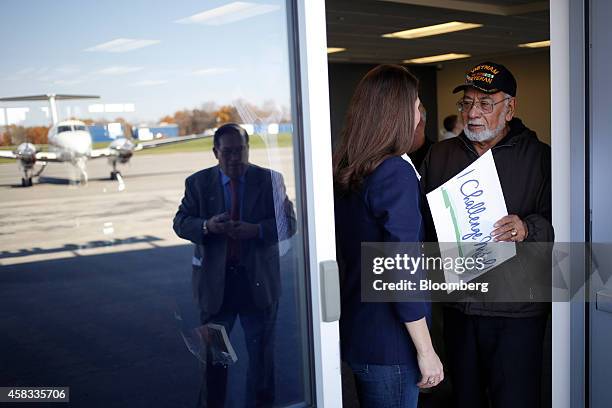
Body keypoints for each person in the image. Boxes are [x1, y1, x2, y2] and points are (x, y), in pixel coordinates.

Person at [420, 61, 553, 408]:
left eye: (484, 103)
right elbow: (424, 223)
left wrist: (528, 228)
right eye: (466, 103)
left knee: (515, 399)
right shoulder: (440, 155)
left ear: (510, 108)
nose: (472, 113)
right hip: (460, 308)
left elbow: (558, 223)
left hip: (516, 311)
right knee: (465, 398)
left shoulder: (539, 158)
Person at [333, 64, 444, 408]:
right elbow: (402, 268)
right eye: (415, 106)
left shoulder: (348, 167)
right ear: (397, 113)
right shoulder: (394, 170)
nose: (419, 114)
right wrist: (426, 350)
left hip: (359, 330)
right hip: (390, 341)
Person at [173, 123, 296, 408]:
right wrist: (207, 226)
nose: (234, 158)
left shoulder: (270, 181)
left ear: (248, 150)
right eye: (227, 152)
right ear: (215, 152)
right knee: (215, 362)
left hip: (258, 286)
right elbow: (180, 223)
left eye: (240, 151)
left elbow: (289, 224)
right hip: (217, 289)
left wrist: (257, 230)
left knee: (262, 361)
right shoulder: (198, 183)